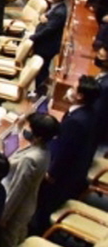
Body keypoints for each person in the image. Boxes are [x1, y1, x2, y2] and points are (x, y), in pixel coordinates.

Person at [32, 75, 100, 234]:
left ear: (80, 96)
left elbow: (65, 151)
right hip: (78, 169)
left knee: (43, 204)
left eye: (73, 88)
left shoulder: (76, 121)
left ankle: (38, 231)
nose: (69, 90)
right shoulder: (88, 113)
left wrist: (51, 173)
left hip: (62, 178)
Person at [1, 112, 58, 247]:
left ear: (38, 136)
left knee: (7, 246)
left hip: (16, 209)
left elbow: (17, 190)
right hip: (27, 204)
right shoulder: (43, 149)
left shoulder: (30, 159)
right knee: (16, 239)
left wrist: (3, 216)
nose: (26, 129)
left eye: (29, 127)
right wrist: (19, 125)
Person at [29, 0, 69, 91]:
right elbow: (44, 18)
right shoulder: (55, 7)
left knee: (41, 69)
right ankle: (39, 88)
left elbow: (49, 30)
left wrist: (33, 37)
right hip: (44, 43)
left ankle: (40, 92)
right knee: (41, 68)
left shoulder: (60, 12)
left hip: (47, 46)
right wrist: (41, 17)